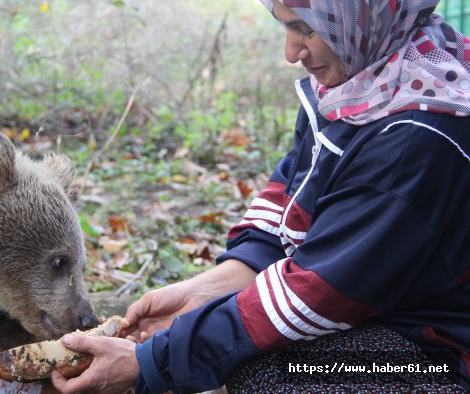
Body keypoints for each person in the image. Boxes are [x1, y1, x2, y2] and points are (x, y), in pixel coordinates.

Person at [51, 0, 470, 392]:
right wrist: (206, 291)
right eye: (286, 28)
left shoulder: (415, 141)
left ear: (360, 18)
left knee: (274, 377)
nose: (291, 52)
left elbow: (316, 293)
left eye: (305, 29)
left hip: (437, 353)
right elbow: (286, 205)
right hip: (381, 310)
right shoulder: (362, 84)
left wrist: (149, 363)